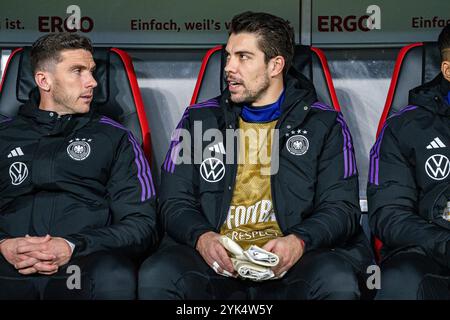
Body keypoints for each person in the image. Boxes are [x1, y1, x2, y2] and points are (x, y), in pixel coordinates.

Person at [139, 11, 373, 300]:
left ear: (275, 65)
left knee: (336, 279)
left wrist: (298, 241)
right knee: (157, 274)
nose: (229, 67)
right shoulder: (198, 120)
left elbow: (341, 208)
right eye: (228, 56)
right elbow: (174, 201)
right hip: (215, 262)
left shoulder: (324, 124)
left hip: (294, 261)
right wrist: (202, 237)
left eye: (243, 57)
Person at [0, 33, 158, 299]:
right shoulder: (4, 135)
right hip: (8, 261)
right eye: (78, 71)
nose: (92, 82)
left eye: (92, 72)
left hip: (85, 261)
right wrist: (3, 244)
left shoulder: (115, 138)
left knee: (115, 276)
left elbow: (142, 224)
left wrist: (73, 245)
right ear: (43, 80)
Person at [367, 25, 450, 299]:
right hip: (432, 255)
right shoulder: (404, 127)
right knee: (397, 279)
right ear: (448, 71)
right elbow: (389, 215)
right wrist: (444, 243)